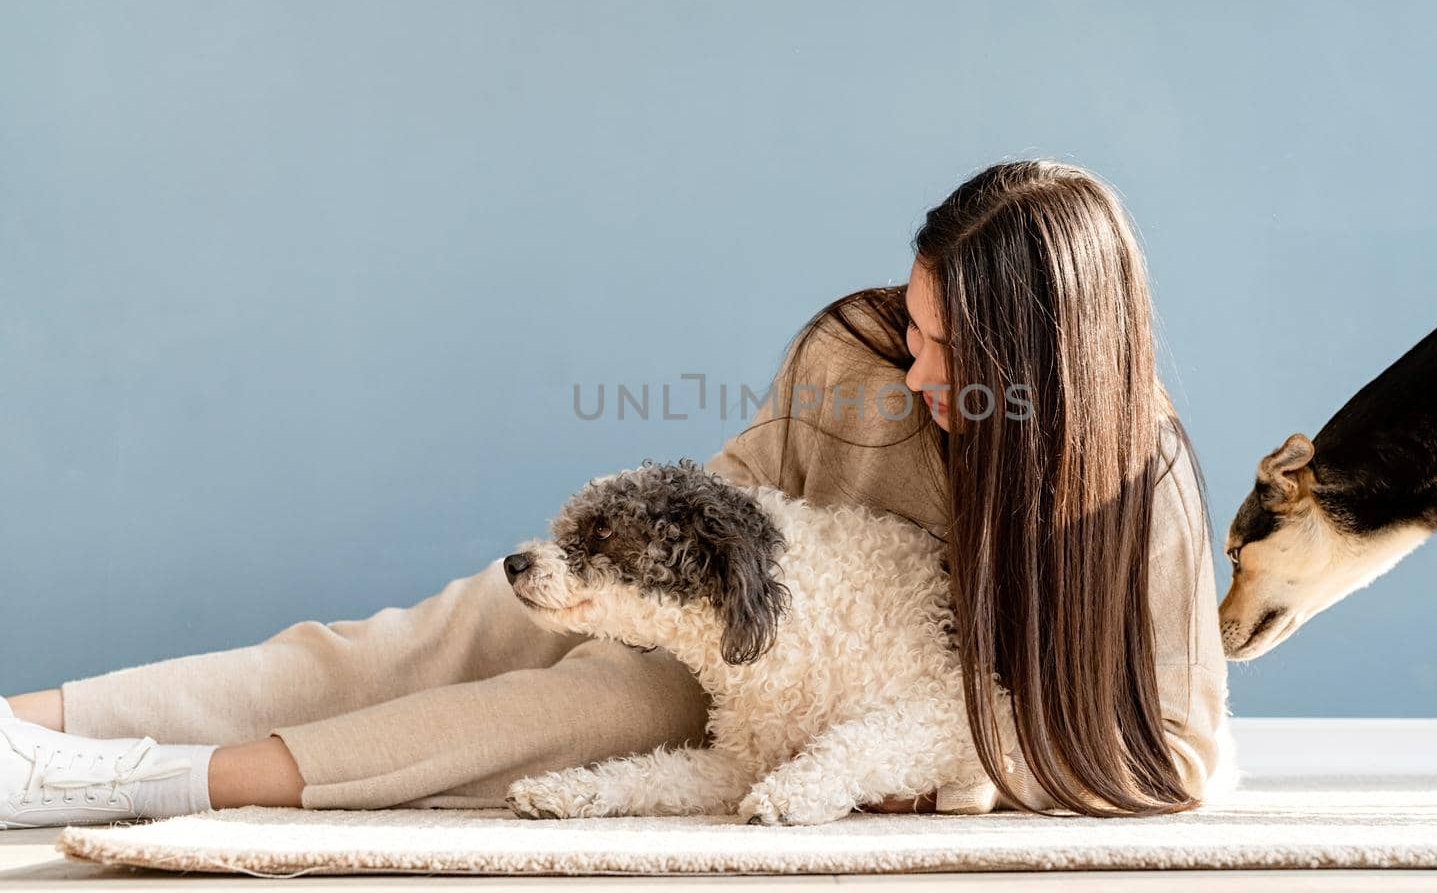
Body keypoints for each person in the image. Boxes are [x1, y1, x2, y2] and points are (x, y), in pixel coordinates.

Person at [1, 159, 1233, 827]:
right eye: (912, 326)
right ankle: (35, 721)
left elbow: (1185, 751)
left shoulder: (1143, 490)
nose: (913, 368)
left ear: (1043, 369)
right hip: (727, 618)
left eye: (948, 350)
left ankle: (149, 783)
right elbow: (734, 499)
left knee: (578, 710)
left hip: (834, 709)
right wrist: (608, 569)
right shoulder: (848, 357)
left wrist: (921, 754)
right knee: (453, 631)